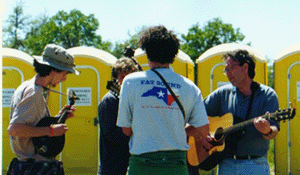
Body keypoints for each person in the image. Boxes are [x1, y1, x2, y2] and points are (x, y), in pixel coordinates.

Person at [116, 25, 212, 175]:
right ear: (174, 55)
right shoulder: (190, 87)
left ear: (147, 53)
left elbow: (126, 129)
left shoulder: (130, 82)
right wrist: (178, 129)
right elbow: (203, 130)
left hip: (142, 166)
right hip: (176, 166)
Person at [203, 49, 280, 175]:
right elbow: (197, 113)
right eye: (225, 70)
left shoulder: (267, 95)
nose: (228, 73)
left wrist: (267, 130)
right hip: (226, 164)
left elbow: (274, 130)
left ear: (245, 67)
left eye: (231, 68)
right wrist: (203, 136)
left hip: (255, 165)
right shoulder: (223, 93)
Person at [7, 44, 79, 175]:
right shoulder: (34, 94)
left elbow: (33, 122)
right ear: (52, 71)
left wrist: (59, 118)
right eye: (64, 73)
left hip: (30, 165)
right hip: (34, 167)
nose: (65, 78)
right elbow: (14, 129)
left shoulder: (30, 86)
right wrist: (51, 130)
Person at [98, 57, 139, 175]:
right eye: (122, 77)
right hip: (113, 167)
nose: (126, 81)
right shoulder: (109, 101)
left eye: (129, 77)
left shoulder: (135, 99)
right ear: (116, 78)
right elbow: (112, 134)